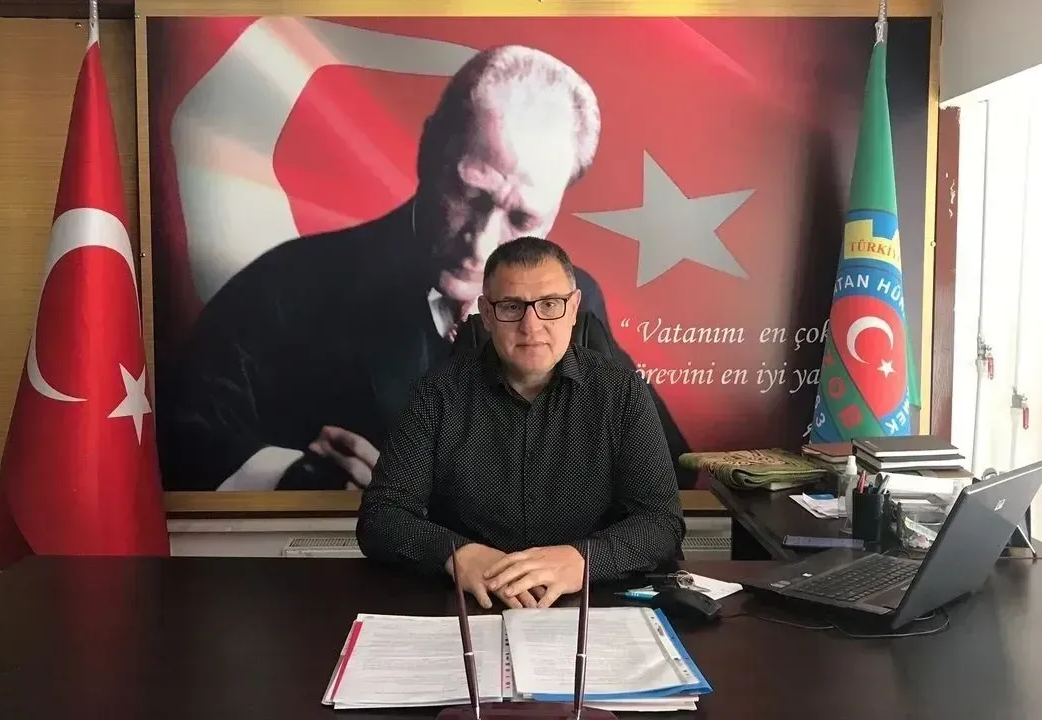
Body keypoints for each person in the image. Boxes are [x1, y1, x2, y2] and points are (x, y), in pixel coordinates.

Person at [157, 44, 690, 493]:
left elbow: (666, 464)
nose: (481, 243)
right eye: (470, 193)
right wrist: (294, 478)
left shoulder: (575, 300)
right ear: (428, 148)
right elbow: (178, 440)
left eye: (522, 218)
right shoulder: (289, 286)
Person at [356, 237, 685, 609]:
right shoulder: (437, 394)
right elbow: (381, 516)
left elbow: (661, 523)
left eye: (550, 304)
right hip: (471, 602)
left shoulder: (621, 392)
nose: (531, 326)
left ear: (574, 308)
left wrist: (583, 560)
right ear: (487, 313)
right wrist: (456, 554)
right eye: (512, 306)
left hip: (588, 601)